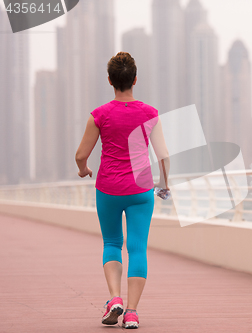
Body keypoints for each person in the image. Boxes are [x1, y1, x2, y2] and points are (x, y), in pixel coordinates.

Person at [75, 51, 170, 329]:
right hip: (140, 191)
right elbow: (163, 155)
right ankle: (131, 312)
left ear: (110, 81)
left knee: (112, 243)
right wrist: (164, 185)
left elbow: (81, 155)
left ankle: (114, 298)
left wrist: (83, 170)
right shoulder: (149, 113)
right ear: (135, 80)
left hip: (108, 188)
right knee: (137, 248)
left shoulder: (99, 115)